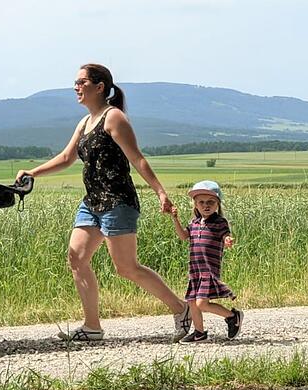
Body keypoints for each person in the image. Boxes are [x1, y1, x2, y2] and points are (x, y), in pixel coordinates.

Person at [15, 63, 191, 341]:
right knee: (76, 257)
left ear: (100, 87)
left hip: (118, 202)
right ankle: (92, 327)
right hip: (92, 203)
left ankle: (181, 308)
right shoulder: (85, 122)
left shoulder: (114, 117)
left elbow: (137, 158)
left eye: (81, 82)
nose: (76, 87)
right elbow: (65, 158)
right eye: (75, 82)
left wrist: (160, 191)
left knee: (126, 268)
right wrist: (32, 172)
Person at [170, 180, 242, 343]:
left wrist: (228, 240)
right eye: (201, 202)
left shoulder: (219, 222)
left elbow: (225, 235)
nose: (206, 205)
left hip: (209, 270)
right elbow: (183, 236)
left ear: (217, 204)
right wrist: (175, 218)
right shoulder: (194, 223)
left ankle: (232, 316)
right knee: (192, 302)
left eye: (210, 202)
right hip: (195, 270)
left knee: (202, 303)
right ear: (195, 204)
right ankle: (199, 333)